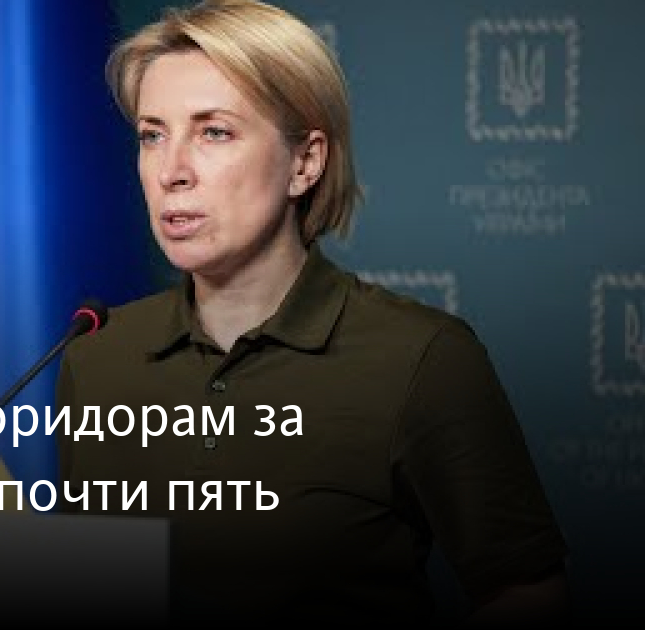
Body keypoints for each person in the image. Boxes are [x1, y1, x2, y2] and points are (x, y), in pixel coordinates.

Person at [55, 0, 569, 625]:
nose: (171, 171)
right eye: (152, 135)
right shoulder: (96, 358)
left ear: (305, 162)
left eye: (214, 132)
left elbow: (526, 591)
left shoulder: (423, 359)